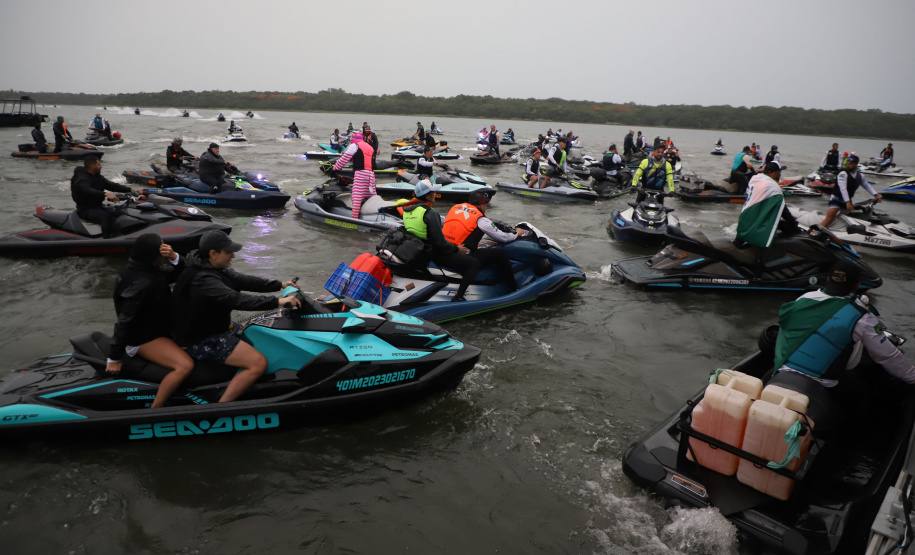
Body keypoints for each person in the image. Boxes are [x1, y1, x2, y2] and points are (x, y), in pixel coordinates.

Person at [768, 259, 915, 436]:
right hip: (824, 384)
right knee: (862, 391)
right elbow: (888, 356)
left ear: (828, 279)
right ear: (858, 285)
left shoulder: (803, 299)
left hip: (781, 372)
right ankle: (856, 440)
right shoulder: (862, 317)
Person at [170, 231, 301, 403]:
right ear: (213, 253)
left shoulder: (210, 266)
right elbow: (235, 299)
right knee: (258, 363)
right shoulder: (202, 279)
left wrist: (280, 285)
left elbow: (243, 280)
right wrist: (279, 301)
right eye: (228, 252)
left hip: (213, 328)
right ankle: (221, 407)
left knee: (257, 332)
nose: (232, 255)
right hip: (200, 340)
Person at [107, 233, 193, 409]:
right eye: (161, 250)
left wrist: (174, 257)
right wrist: (114, 356)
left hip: (157, 331)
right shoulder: (142, 283)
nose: (165, 252)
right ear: (154, 256)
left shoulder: (143, 271)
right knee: (184, 366)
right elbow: (125, 320)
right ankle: (156, 409)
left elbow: (182, 273)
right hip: (143, 339)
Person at [402, 180, 479, 303]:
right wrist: (456, 248)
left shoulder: (407, 211)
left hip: (417, 250)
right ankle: (458, 297)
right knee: (473, 264)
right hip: (433, 253)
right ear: (427, 196)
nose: (435, 194)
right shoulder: (430, 213)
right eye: (433, 192)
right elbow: (440, 243)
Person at [442, 190, 523, 293]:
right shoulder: (481, 219)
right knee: (500, 253)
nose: (486, 207)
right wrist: (516, 233)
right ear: (481, 205)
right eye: (486, 204)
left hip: (447, 249)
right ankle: (513, 288)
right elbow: (503, 238)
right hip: (462, 255)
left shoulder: (455, 208)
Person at [735, 162, 799, 251]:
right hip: (757, 223)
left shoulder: (755, 180)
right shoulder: (773, 187)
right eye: (778, 174)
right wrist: (793, 224)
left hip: (744, 219)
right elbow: (783, 210)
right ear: (772, 174)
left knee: (738, 243)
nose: (779, 177)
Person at [70, 155, 133, 238]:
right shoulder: (82, 178)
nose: (101, 166)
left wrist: (131, 189)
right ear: (92, 166)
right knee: (106, 218)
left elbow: (112, 185)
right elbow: (86, 189)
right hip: (85, 209)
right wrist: (105, 194)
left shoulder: (98, 177)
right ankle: (107, 241)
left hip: (98, 206)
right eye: (99, 164)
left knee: (120, 212)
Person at [820, 155, 882, 228]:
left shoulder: (860, 176)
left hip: (847, 201)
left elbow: (867, 185)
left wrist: (876, 195)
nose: (848, 165)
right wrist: (848, 202)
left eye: (850, 164)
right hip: (836, 200)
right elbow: (843, 189)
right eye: (847, 163)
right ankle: (815, 232)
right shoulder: (843, 174)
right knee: (829, 219)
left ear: (856, 164)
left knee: (850, 220)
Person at [332, 132, 375, 218]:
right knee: (372, 197)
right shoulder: (370, 147)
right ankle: (373, 215)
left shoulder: (355, 146)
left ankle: (355, 219)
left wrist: (335, 167)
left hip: (360, 174)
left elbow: (345, 158)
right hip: (371, 175)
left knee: (356, 198)